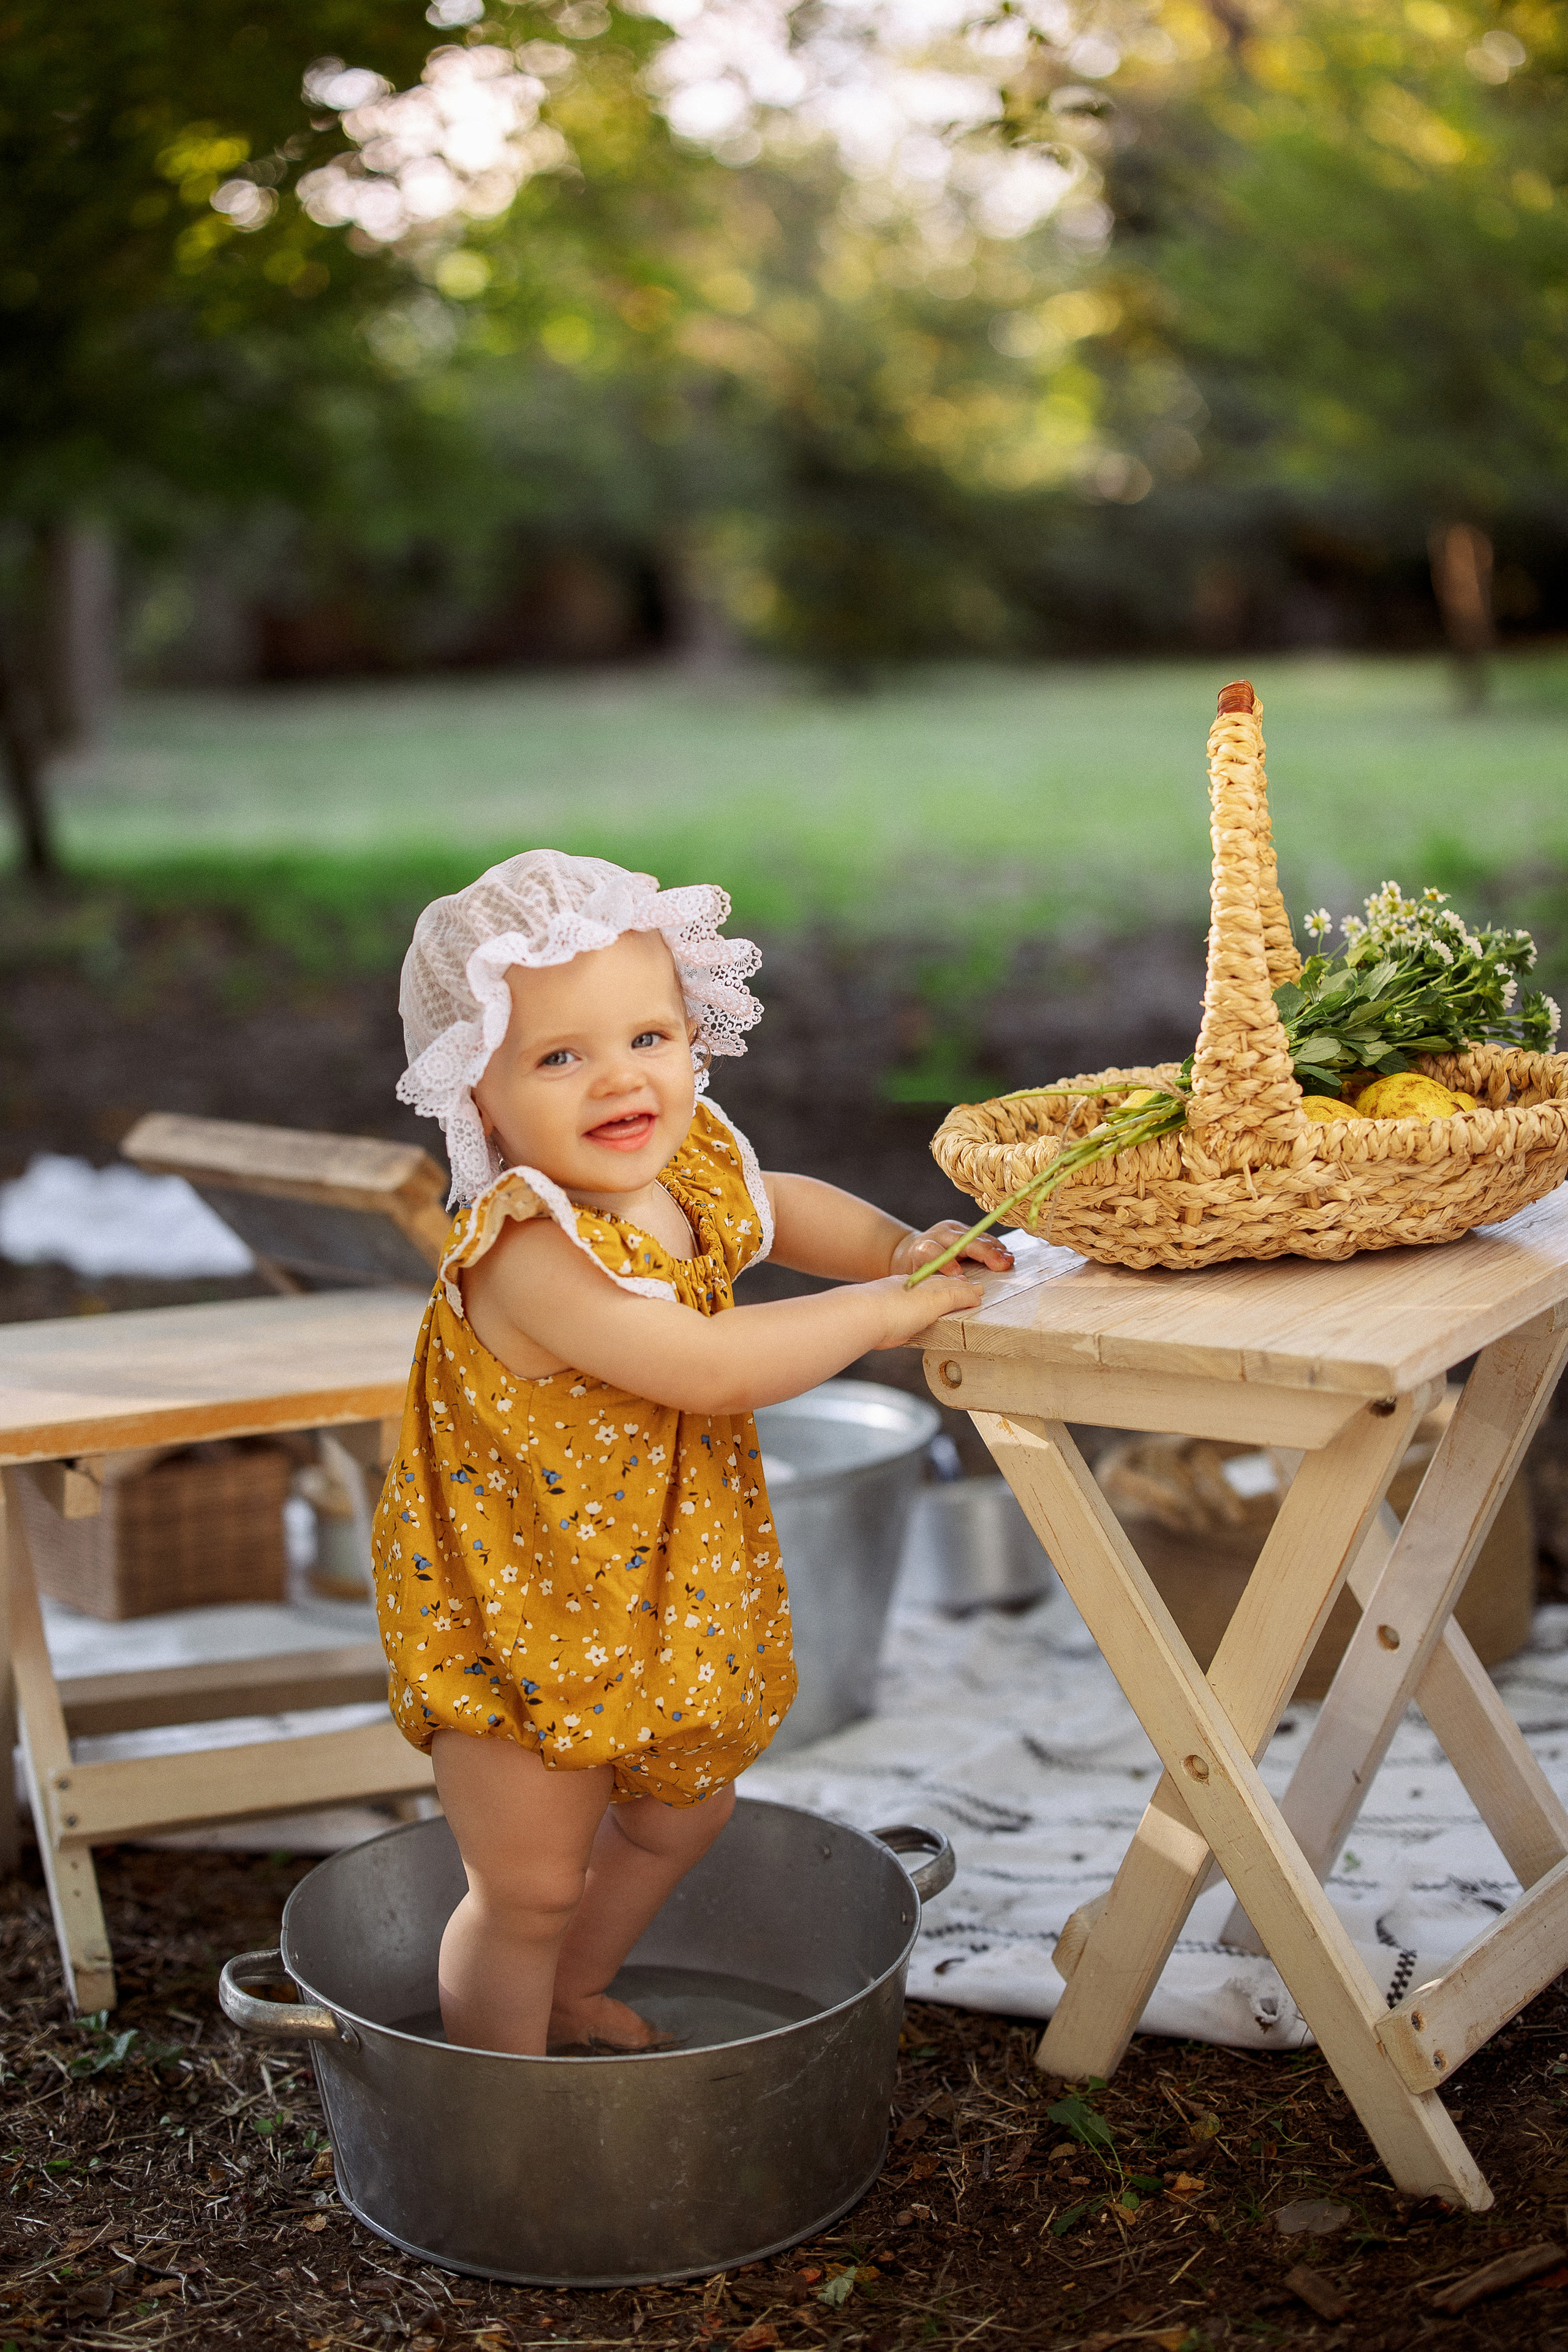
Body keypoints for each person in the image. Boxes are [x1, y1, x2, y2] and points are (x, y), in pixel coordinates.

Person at [372, 850, 1009, 2057]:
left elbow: (781, 1202)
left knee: (682, 1818)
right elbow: (706, 1368)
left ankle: (573, 1991)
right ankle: (501, 2110)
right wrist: (887, 1319)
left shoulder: (683, 1167)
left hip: (662, 1598)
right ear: (483, 1101)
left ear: (691, 1039)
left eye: (648, 1038)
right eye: (559, 1057)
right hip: (523, 1614)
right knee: (527, 1886)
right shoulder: (527, 1249)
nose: (619, 1079)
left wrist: (889, 1253)